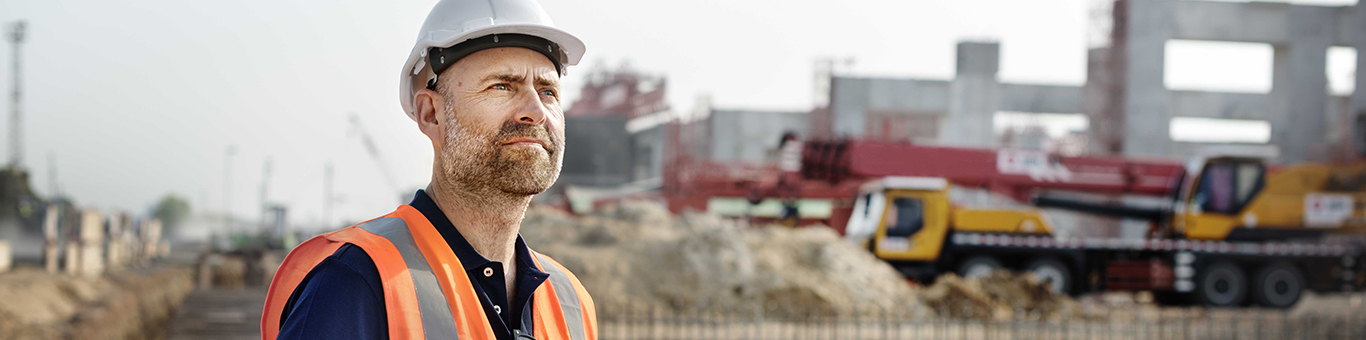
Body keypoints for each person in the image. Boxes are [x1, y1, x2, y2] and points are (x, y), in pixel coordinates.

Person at [260, 0, 595, 339]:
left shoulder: (572, 303)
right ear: (431, 114)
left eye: (548, 91)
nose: (535, 111)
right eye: (502, 86)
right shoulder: (358, 283)